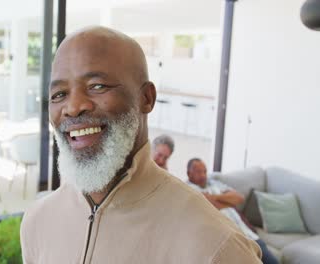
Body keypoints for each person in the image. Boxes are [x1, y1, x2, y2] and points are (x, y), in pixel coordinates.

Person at [20, 26, 261, 264]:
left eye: (97, 86)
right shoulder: (37, 222)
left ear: (146, 98)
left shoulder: (214, 244)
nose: (73, 107)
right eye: (59, 94)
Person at [186, 158, 279, 264]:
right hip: (231, 240)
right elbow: (208, 205)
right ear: (189, 174)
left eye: (205, 171)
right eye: (198, 172)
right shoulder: (189, 189)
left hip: (249, 235)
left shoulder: (214, 183)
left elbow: (239, 198)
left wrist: (214, 197)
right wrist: (227, 200)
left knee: (273, 262)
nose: (203, 175)